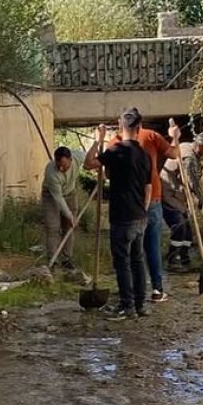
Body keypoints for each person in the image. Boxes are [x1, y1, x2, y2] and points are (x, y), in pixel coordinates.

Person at [84, 109, 153, 319]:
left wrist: (98, 140)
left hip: (122, 217)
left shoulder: (116, 151)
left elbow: (88, 164)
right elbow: (148, 188)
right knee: (138, 260)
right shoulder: (144, 154)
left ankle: (127, 306)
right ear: (139, 128)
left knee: (122, 262)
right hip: (140, 215)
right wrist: (143, 210)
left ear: (120, 126)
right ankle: (140, 305)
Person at [107, 114, 180, 303]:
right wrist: (175, 137)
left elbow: (107, 173)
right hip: (152, 198)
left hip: (126, 206)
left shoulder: (114, 143)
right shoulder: (151, 136)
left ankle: (130, 294)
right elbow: (174, 154)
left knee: (128, 252)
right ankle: (156, 289)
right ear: (139, 126)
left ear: (119, 124)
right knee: (151, 246)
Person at [162, 123, 203, 270]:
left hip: (177, 196)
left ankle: (185, 260)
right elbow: (192, 182)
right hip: (169, 196)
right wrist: (202, 202)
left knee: (187, 231)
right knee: (180, 227)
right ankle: (172, 261)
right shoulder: (189, 158)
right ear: (201, 146)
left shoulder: (187, 147)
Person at [42, 146, 81, 269]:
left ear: (71, 160)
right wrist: (69, 215)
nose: (61, 168)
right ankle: (53, 261)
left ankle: (66, 259)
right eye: (59, 165)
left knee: (69, 228)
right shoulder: (51, 172)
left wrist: (97, 165)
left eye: (64, 165)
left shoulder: (78, 156)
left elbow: (91, 158)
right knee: (53, 228)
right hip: (51, 196)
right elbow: (58, 198)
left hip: (70, 193)